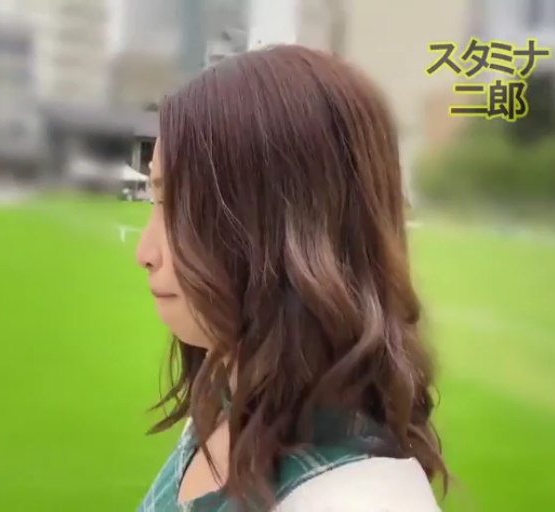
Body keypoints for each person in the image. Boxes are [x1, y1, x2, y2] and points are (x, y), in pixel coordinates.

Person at [134, 45, 447, 512]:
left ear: (283, 232)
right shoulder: (231, 397)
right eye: (155, 201)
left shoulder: (360, 501)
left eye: (182, 209)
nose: (144, 253)